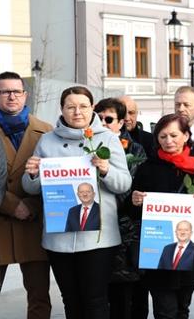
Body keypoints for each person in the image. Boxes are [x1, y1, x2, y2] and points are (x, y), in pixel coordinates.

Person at [22, 86, 132, 318]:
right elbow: (30, 188)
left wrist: (106, 170)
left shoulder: (109, 139)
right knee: (71, 301)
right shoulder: (47, 141)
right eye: (70, 107)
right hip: (59, 237)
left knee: (96, 301)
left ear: (92, 107)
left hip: (98, 239)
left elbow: (123, 184)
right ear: (62, 109)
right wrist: (32, 173)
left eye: (83, 106)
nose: (77, 112)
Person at [129, 113, 194, 318]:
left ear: (186, 135)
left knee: (182, 309)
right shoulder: (148, 168)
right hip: (158, 253)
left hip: (191, 252)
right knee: (165, 311)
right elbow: (133, 210)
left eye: (174, 135)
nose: (168, 141)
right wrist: (135, 200)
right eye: (162, 137)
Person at [0, 71, 51, 318]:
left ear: (25, 95)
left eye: (16, 91)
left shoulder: (47, 131)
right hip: (0, 221)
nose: (11, 96)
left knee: (39, 297)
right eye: (5, 91)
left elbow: (58, 179)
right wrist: (12, 205)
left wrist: (32, 204)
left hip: (33, 223)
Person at [95, 97, 148, 319]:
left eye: (109, 118)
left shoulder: (135, 149)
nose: (103, 122)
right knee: (99, 295)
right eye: (98, 118)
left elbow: (135, 188)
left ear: (120, 122)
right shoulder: (86, 145)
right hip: (95, 229)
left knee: (129, 297)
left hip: (127, 231)